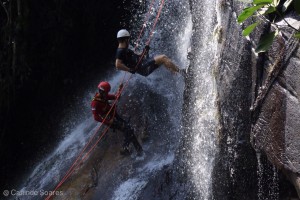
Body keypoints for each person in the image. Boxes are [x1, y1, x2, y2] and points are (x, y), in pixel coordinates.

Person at [91, 81, 143, 156]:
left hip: (114, 116)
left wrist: (119, 89)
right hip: (110, 119)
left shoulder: (104, 96)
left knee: (130, 130)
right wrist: (108, 122)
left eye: (107, 92)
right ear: (101, 92)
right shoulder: (95, 102)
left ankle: (139, 151)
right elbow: (96, 117)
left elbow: (116, 97)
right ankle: (125, 147)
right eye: (106, 92)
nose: (107, 94)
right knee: (127, 129)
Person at [115, 29, 186, 77]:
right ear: (126, 39)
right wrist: (130, 70)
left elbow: (139, 56)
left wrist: (145, 51)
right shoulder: (120, 51)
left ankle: (178, 73)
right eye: (128, 39)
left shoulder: (125, 49)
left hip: (143, 65)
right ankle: (182, 72)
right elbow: (118, 64)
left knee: (164, 60)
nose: (129, 40)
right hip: (142, 67)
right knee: (163, 58)